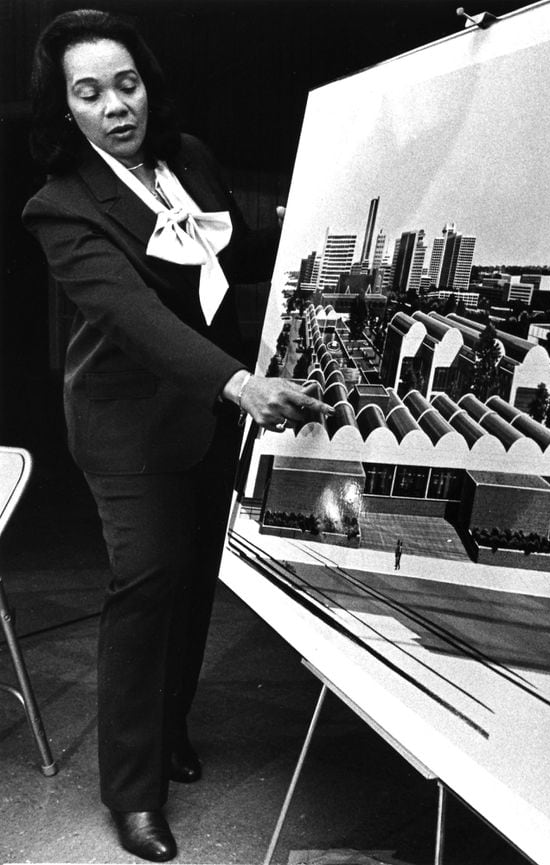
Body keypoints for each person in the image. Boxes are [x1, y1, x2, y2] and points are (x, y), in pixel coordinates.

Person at [23, 10, 329, 861]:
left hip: (204, 413)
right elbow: (133, 317)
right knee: (148, 582)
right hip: (126, 425)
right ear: (68, 111)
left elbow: (226, 265)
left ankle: (168, 732)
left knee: (196, 581)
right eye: (92, 94)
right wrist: (241, 384)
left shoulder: (187, 158)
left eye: (128, 83)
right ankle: (131, 790)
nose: (118, 105)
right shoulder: (60, 206)